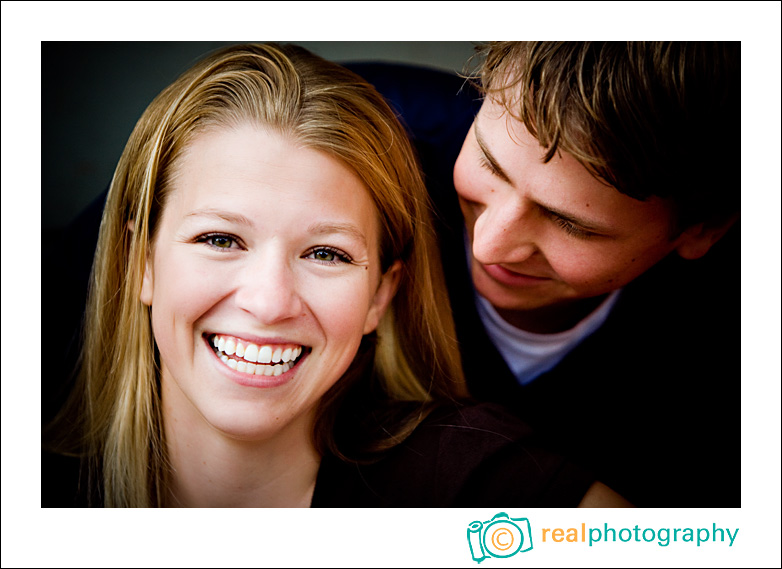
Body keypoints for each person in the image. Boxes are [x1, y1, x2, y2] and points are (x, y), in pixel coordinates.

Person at [42, 43, 629, 508]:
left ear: (382, 295)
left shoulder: (472, 486)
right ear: (140, 264)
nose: (270, 302)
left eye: (326, 253)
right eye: (220, 239)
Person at [353, 41, 740, 507]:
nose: (489, 245)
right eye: (490, 165)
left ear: (704, 229)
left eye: (569, 223)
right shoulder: (357, 151)